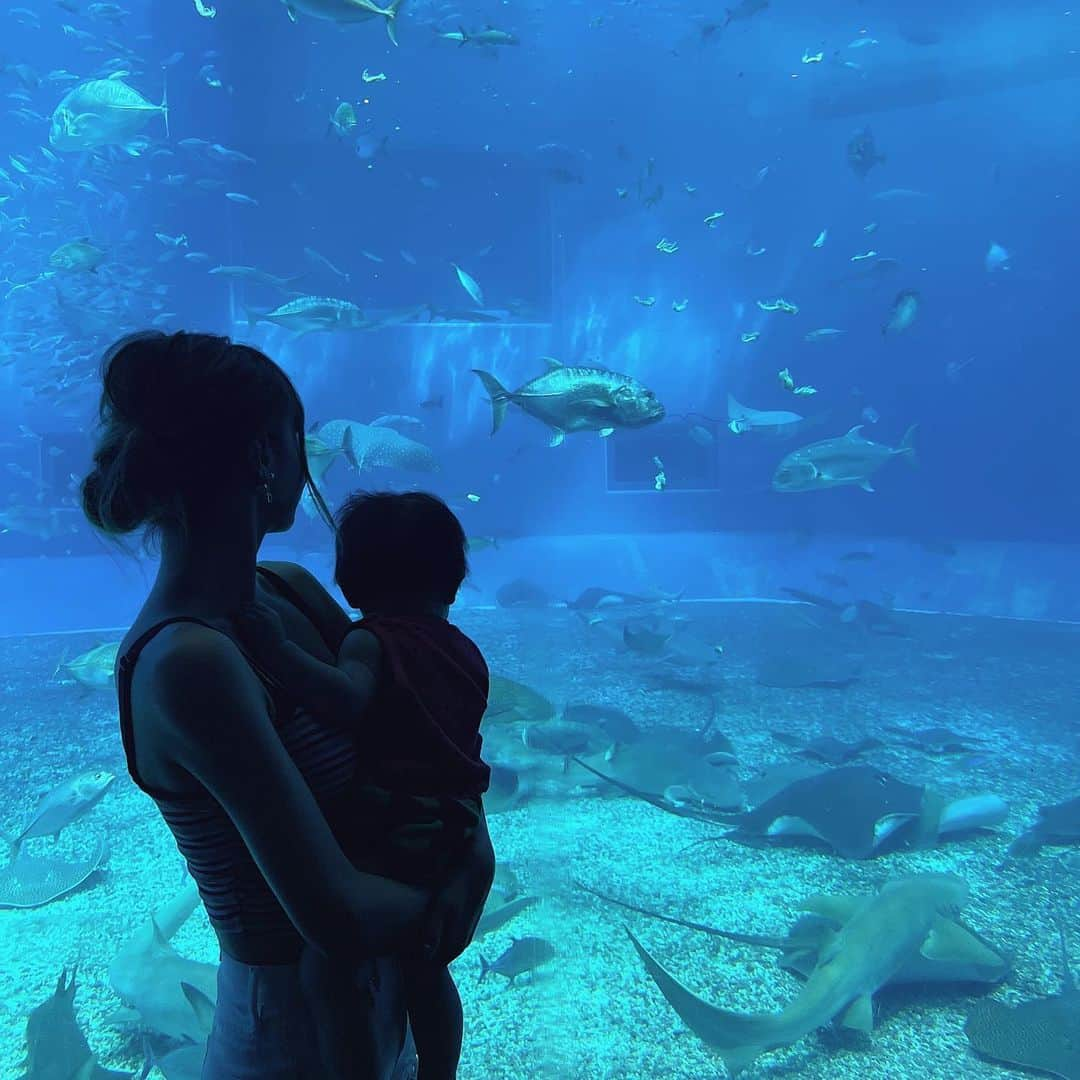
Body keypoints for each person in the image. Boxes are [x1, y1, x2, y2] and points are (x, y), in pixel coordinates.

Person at [81, 330, 495, 1079]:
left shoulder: (289, 591)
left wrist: (474, 850)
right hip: (293, 1038)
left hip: (388, 992)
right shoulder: (187, 663)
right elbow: (332, 911)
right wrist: (450, 890)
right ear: (264, 456)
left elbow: (423, 720)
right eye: (295, 438)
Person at [234, 491, 490, 1080]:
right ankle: (439, 1073)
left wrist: (277, 651)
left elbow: (346, 700)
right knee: (429, 970)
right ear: (452, 582)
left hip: (395, 820)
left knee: (329, 970)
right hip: (453, 822)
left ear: (351, 584)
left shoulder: (369, 640)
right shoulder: (466, 651)